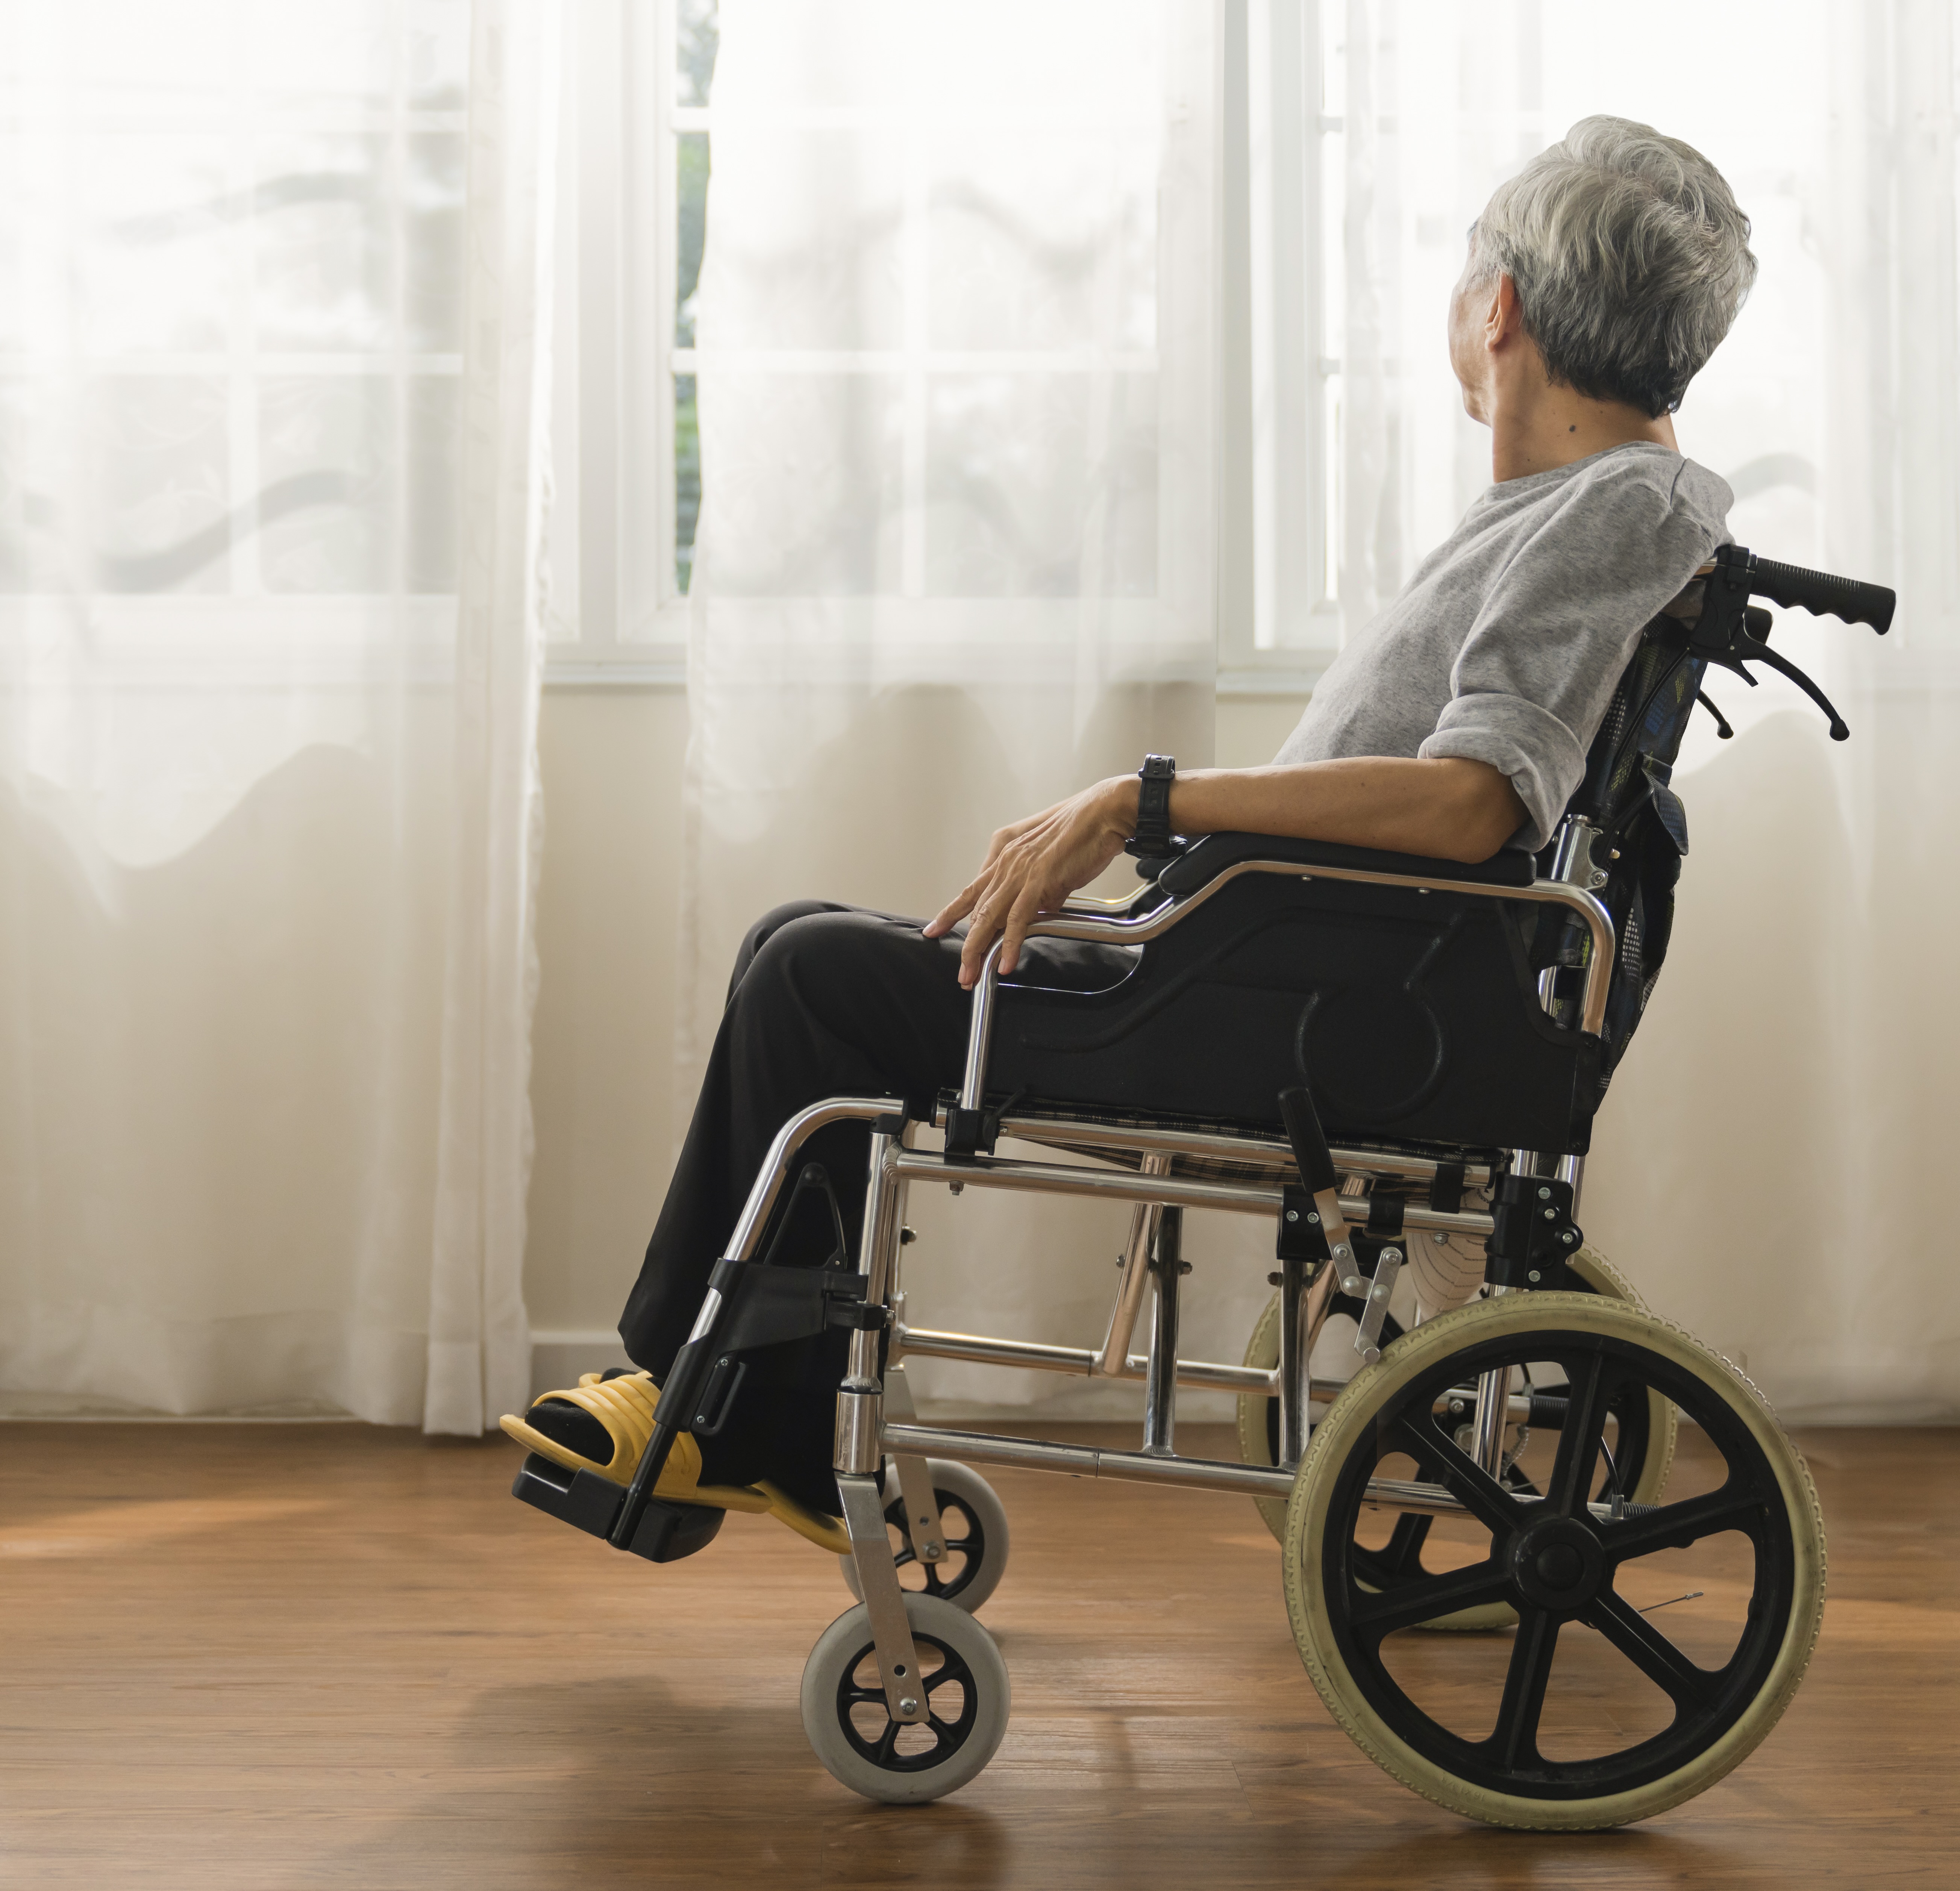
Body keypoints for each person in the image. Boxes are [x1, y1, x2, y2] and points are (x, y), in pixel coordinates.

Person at [501, 114, 1755, 1532]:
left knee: (813, 983)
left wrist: (1136, 800)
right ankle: (739, 1412)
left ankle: (713, 1408)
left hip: (1286, 1005)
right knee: (803, 944)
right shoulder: (1578, 505)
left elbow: (1477, 800)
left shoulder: (1612, 507)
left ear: (1500, 308)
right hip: (1269, 965)